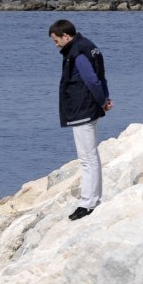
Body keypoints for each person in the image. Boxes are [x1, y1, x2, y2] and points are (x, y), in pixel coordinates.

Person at [48, 19, 113, 221]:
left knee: (87, 158)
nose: (55, 44)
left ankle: (88, 203)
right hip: (87, 107)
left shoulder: (77, 52)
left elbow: (92, 80)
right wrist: (105, 98)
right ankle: (92, 199)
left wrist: (102, 100)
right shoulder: (88, 46)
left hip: (83, 109)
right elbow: (101, 77)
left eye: (56, 39)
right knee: (90, 157)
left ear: (66, 36)